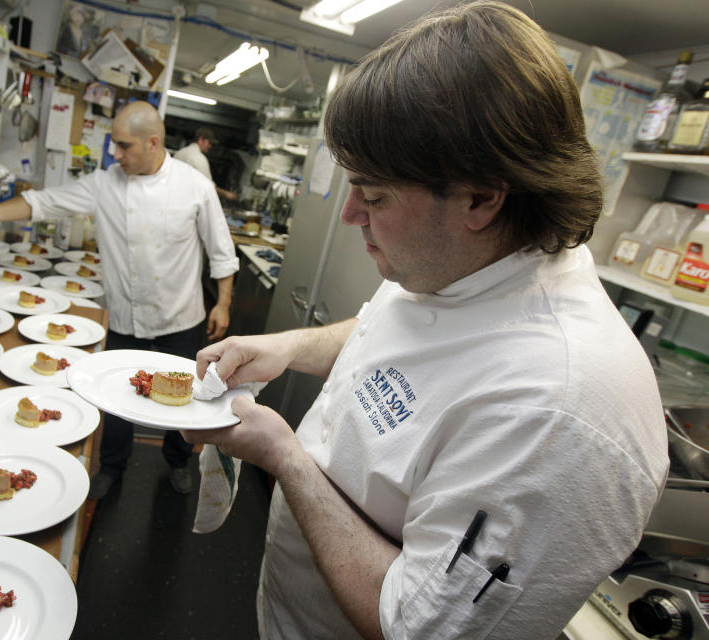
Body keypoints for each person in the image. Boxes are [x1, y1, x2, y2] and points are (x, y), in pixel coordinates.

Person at [181, 3, 669, 639]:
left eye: (375, 195)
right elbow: (388, 337)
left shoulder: (557, 412)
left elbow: (413, 624)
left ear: (480, 197)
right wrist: (293, 346)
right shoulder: (458, 265)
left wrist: (286, 456)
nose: (351, 213)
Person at [0, 101, 239, 499]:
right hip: (125, 316)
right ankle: (112, 467)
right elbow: (44, 203)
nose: (116, 154)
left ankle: (178, 461)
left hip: (181, 316)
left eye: (124, 146)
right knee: (117, 400)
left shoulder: (194, 186)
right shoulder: (105, 184)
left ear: (153, 142)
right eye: (114, 145)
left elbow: (221, 250)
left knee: (188, 398)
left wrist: (224, 302)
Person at [174, 127, 238, 202]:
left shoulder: (179, 153)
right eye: (209, 143)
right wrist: (227, 194)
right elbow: (209, 187)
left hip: (174, 198)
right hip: (186, 201)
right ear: (201, 140)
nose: (210, 146)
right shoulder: (199, 158)